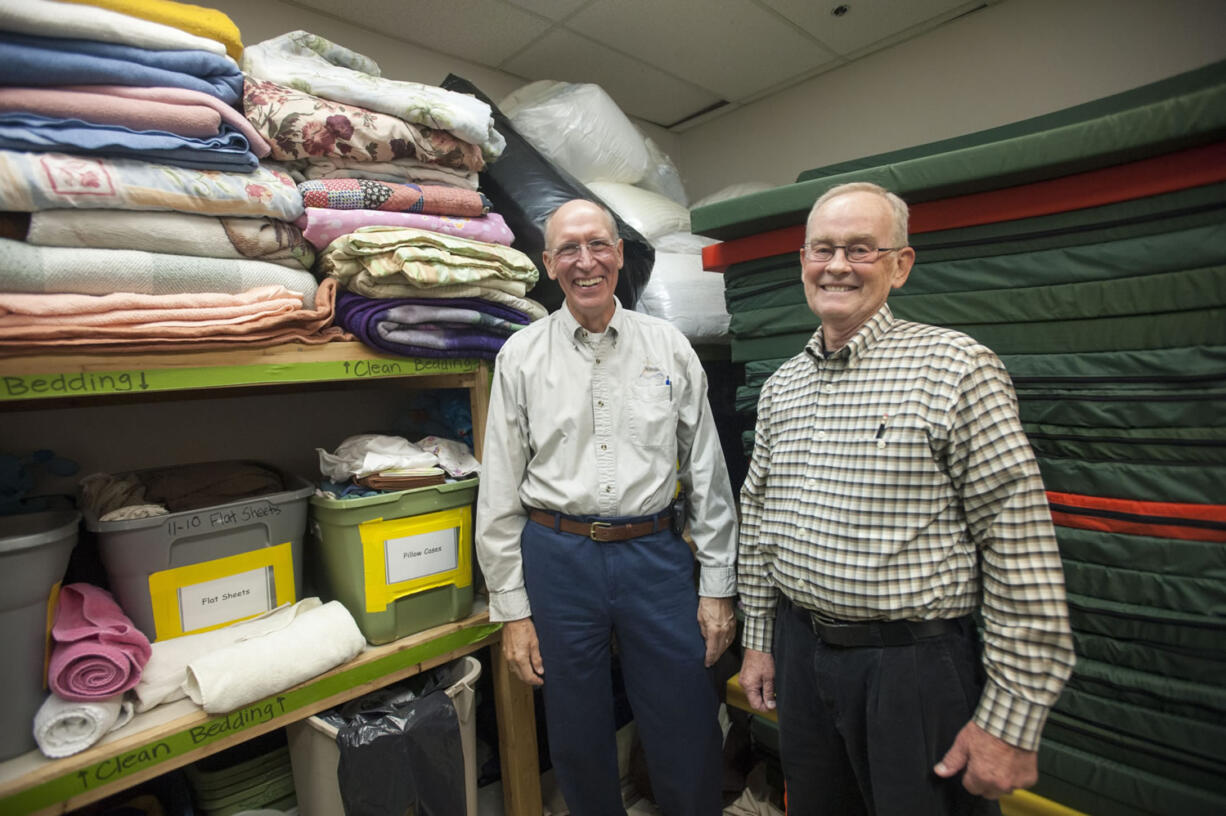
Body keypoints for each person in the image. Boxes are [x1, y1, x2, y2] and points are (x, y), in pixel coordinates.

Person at [737, 182, 1076, 815]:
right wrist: (760, 640)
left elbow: (1018, 543)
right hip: (801, 655)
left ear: (901, 266)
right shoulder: (781, 386)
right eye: (824, 249)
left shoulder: (955, 366)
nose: (838, 265)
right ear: (803, 261)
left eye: (861, 249)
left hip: (910, 670)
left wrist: (1011, 719)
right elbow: (758, 518)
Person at [475, 198, 739, 816]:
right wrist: (513, 611)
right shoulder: (520, 355)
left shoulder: (669, 347)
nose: (585, 261)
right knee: (576, 732)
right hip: (557, 557)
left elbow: (708, 473)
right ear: (548, 263)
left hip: (655, 555)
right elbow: (500, 491)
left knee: (685, 719)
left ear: (620, 254)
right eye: (568, 249)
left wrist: (718, 589)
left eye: (598, 245)